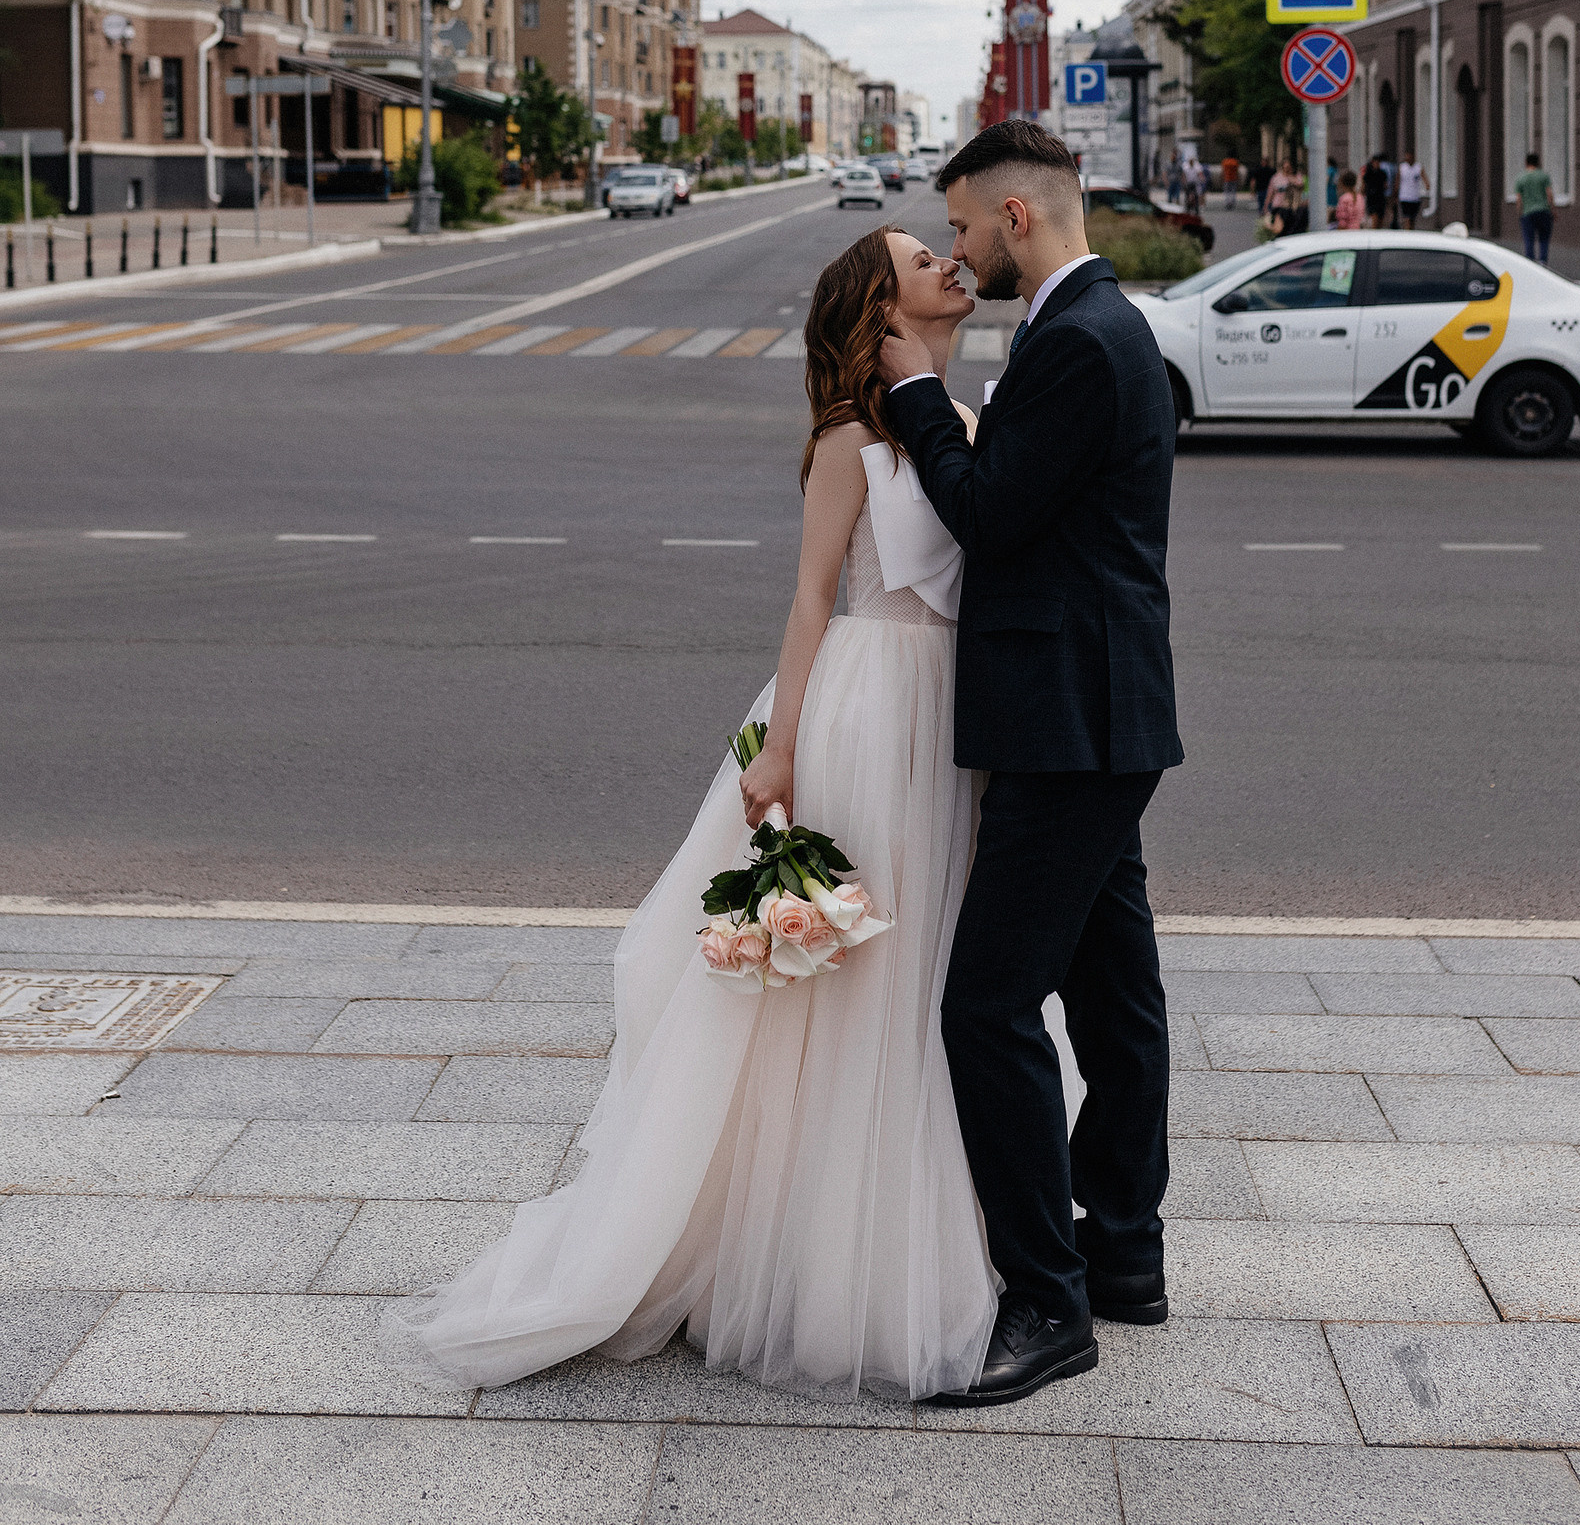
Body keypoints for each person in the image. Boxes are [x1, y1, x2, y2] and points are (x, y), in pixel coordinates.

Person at [392, 224, 1007, 1403]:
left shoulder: (966, 423)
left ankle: (932, 1225)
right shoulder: (849, 442)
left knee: (933, 969)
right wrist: (782, 747)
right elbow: (813, 597)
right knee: (852, 982)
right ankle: (814, 1256)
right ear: (880, 311)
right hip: (865, 713)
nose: (949, 262)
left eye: (943, 249)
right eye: (921, 259)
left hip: (950, 720)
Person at [879, 120, 1181, 1410]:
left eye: (960, 226)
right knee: (1113, 1001)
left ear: (1015, 216)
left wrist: (914, 399)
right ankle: (1124, 1255)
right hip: (1099, 714)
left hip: (1069, 723)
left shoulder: (1080, 339)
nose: (955, 251)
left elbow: (992, 513)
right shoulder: (1097, 326)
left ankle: (1048, 1301)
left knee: (986, 1008)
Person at [1514, 152, 1556, 264]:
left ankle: (1530, 262)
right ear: (1538, 163)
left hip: (1527, 212)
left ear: (1526, 162)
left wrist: (1519, 212)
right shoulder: (1543, 176)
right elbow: (1549, 194)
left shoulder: (1520, 178)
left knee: (1529, 239)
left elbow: (1519, 198)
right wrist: (1553, 210)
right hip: (1543, 211)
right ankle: (1543, 261)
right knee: (1544, 238)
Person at [1396, 151, 1426, 230]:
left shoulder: (1418, 167)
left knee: (1413, 217)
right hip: (1404, 196)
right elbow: (1397, 180)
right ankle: (1407, 229)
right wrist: (1395, 192)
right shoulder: (1402, 167)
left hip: (1415, 196)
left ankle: (1411, 230)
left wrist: (1427, 185)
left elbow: (1424, 178)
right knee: (1407, 217)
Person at [1362, 152, 1388, 229]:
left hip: (1380, 197)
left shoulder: (1382, 173)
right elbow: (1364, 185)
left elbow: (1385, 185)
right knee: (1374, 218)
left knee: (1380, 219)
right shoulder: (1368, 174)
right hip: (1372, 198)